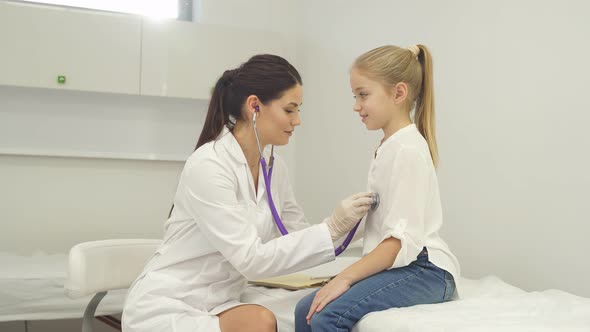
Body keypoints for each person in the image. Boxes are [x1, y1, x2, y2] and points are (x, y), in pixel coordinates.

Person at [121, 54, 374, 332]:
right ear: (254, 106)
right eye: (290, 110)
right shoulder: (209, 166)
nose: (297, 120)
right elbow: (251, 260)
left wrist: (358, 224)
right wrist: (333, 227)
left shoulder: (274, 169)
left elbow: (295, 237)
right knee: (264, 322)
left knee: (307, 310)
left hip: (222, 300)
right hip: (168, 304)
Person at [294, 45, 461, 331]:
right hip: (405, 265)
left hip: (427, 269)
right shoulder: (387, 147)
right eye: (354, 96)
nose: (356, 105)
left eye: (363, 94)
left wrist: (344, 277)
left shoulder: (407, 150)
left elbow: (398, 241)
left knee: (325, 316)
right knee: (305, 309)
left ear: (398, 93)